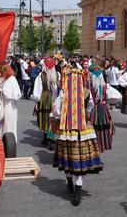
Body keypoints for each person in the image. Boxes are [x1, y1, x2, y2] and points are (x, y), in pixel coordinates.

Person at [51, 67, 103, 206]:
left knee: (68, 161)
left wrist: (64, 115)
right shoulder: (85, 92)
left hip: (67, 130)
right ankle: (77, 194)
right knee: (78, 162)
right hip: (83, 130)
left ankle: (69, 183)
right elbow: (91, 106)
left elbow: (56, 111)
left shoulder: (64, 92)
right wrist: (83, 114)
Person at [87, 63, 121, 152]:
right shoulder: (106, 86)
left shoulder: (87, 86)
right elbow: (118, 97)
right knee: (101, 131)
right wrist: (106, 102)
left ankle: (92, 150)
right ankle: (99, 148)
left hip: (91, 110)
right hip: (102, 109)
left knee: (91, 131)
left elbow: (89, 102)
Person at [31, 57, 60, 147]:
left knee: (44, 118)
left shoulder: (41, 75)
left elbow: (37, 89)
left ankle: (46, 139)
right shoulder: (58, 74)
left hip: (44, 98)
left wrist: (37, 101)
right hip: (55, 99)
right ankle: (52, 139)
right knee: (54, 118)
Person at [0, 63, 21, 138]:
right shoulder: (6, 79)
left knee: (9, 122)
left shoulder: (12, 79)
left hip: (10, 105)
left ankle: (9, 139)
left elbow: (13, 94)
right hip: (5, 103)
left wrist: (0, 89)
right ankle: (3, 138)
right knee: (3, 121)